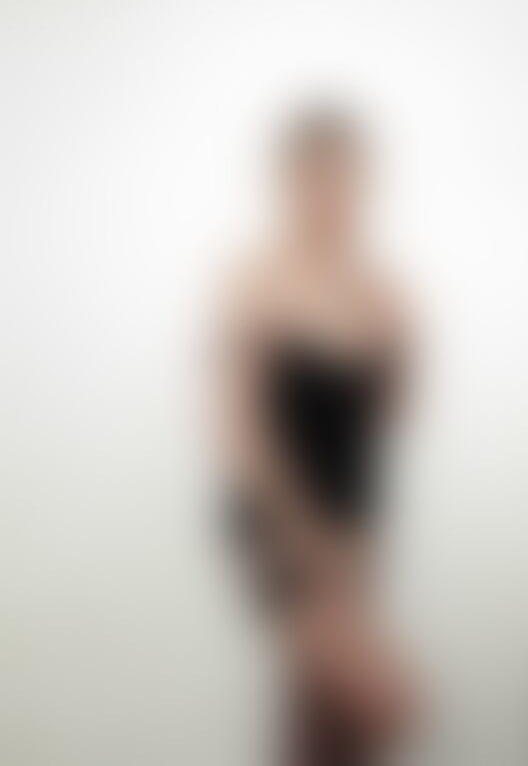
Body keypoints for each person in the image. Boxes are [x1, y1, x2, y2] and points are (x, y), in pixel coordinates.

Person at [206, 105, 417, 765]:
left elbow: (385, 419)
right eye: (319, 179)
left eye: (348, 180)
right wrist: (303, 537)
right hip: (279, 515)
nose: (335, 196)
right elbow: (242, 431)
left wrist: (398, 337)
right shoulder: (257, 282)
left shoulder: (375, 288)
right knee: (375, 701)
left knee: (332, 720)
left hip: (354, 513)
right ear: (290, 183)